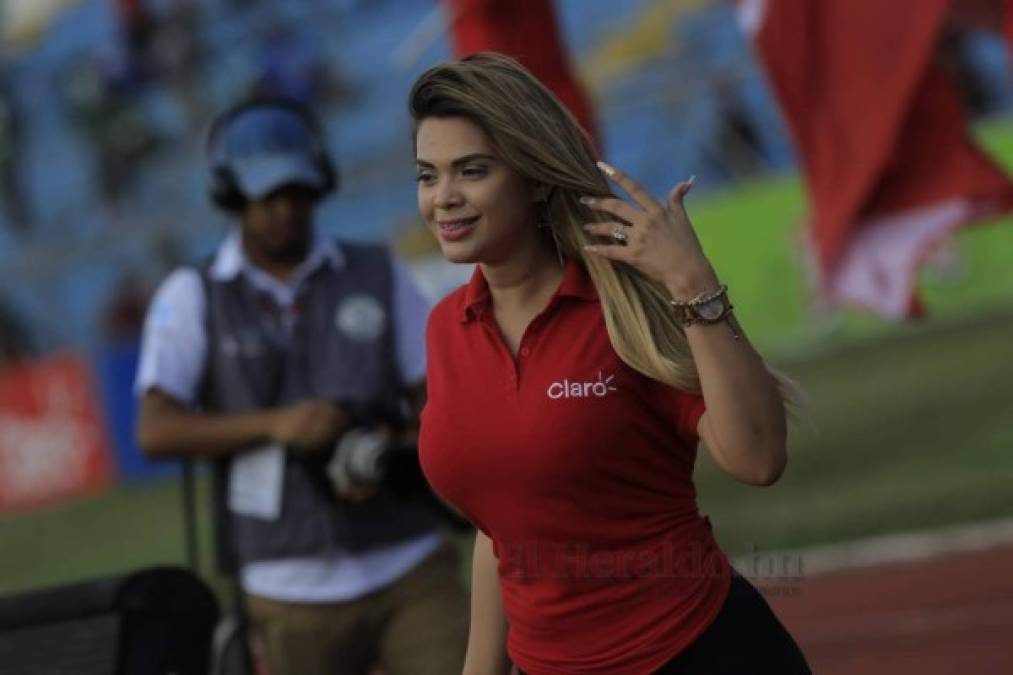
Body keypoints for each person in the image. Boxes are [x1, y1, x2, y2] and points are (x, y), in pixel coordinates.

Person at [412, 53, 811, 674]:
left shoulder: (624, 302)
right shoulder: (445, 330)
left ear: (536, 176)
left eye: (472, 171)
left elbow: (758, 457)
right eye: (428, 175)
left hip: (698, 652)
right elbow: (504, 531)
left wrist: (692, 282)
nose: (444, 199)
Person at [135, 97, 467, 675]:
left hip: (412, 564)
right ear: (232, 196)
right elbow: (156, 429)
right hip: (284, 588)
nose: (286, 209)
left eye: (299, 192)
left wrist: (393, 449)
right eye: (268, 197)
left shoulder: (378, 272)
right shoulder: (192, 294)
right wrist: (277, 426)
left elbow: (440, 406)